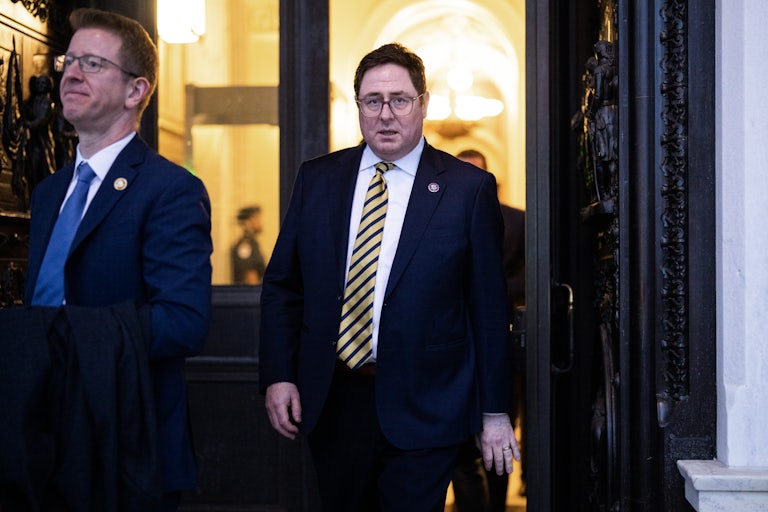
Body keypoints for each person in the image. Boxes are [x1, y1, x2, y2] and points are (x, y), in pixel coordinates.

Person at [259, 42, 520, 512]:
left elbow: (486, 307)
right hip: (334, 399)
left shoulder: (467, 189)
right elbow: (284, 285)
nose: (385, 114)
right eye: (372, 101)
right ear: (357, 106)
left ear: (423, 104)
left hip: (428, 403)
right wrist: (279, 375)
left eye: (399, 100)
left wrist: (495, 411)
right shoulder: (318, 179)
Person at [21, 8, 212, 511]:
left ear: (136, 91)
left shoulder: (170, 190)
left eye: (93, 63)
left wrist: (69, 337)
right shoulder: (47, 194)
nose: (71, 73)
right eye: (69, 61)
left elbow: (184, 322)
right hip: (40, 436)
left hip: (126, 439)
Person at [451, 149, 526, 511]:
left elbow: (530, 278)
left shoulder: (517, 220)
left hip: (502, 338)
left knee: (499, 431)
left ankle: (497, 505)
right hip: (451, 343)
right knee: (460, 446)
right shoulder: (440, 219)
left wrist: (487, 290)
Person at [231, 205, 266, 284]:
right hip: (249, 295)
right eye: (256, 218)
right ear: (247, 222)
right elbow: (250, 278)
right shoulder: (245, 246)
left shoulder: (253, 244)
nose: (260, 221)